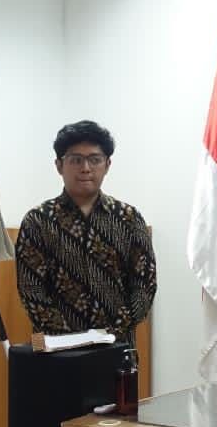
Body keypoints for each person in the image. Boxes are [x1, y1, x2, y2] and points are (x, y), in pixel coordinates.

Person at [15, 120, 157, 340]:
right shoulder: (38, 221)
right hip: (57, 350)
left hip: (116, 346)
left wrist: (113, 332)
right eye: (76, 159)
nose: (86, 168)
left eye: (95, 159)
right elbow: (31, 290)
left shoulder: (129, 218)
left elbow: (144, 284)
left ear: (107, 165)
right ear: (59, 165)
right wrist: (71, 340)